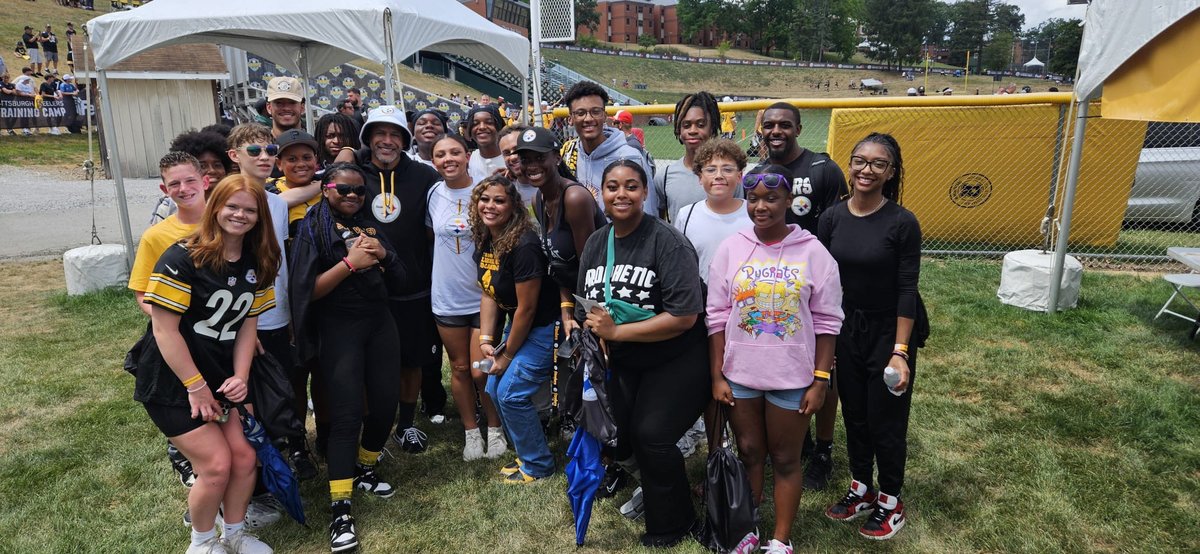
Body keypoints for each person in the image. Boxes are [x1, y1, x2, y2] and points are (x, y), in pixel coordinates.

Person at [135, 174, 280, 554]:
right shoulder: (182, 257)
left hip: (219, 374)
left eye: (250, 210)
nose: (240, 215)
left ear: (259, 216)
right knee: (216, 465)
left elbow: (250, 324)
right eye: (232, 206)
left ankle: (233, 535)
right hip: (172, 379)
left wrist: (241, 377)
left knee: (246, 457)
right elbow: (164, 331)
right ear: (215, 207)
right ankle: (200, 544)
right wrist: (196, 387)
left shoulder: (260, 259)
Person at [707, 164, 843, 554]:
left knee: (785, 458)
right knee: (749, 452)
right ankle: (747, 528)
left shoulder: (813, 252)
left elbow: (828, 322)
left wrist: (820, 380)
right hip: (741, 375)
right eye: (753, 199)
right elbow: (716, 316)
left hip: (792, 377)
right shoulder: (732, 247)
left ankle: (781, 540)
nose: (760, 206)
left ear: (790, 201)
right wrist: (718, 376)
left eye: (771, 198)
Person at [575, 160, 709, 547]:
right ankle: (654, 488)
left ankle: (674, 522)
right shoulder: (598, 242)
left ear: (645, 192)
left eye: (631, 187)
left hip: (676, 356)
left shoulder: (667, 241)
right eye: (613, 187)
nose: (621, 194)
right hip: (625, 359)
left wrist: (618, 330)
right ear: (601, 192)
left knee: (652, 434)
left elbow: (684, 317)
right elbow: (591, 303)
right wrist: (593, 328)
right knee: (616, 437)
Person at [288, 163, 408, 553]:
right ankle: (340, 509)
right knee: (345, 415)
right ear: (326, 189)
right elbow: (307, 293)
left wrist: (385, 256)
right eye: (344, 189)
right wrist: (348, 265)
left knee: (385, 404)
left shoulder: (369, 226)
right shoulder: (310, 229)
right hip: (339, 329)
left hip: (380, 325)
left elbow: (403, 278)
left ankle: (365, 467)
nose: (353, 196)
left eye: (359, 190)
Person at [817, 133, 924, 541]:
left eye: (878, 164)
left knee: (886, 420)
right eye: (860, 161)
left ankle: (891, 500)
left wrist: (900, 352)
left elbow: (906, 289)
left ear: (891, 172)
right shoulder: (831, 218)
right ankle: (861, 487)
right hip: (846, 328)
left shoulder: (901, 222)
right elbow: (823, 281)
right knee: (855, 412)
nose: (867, 170)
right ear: (850, 165)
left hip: (888, 331)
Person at [335, 106, 443, 453]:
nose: (387, 140)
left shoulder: (424, 175)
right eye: (379, 133)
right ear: (367, 138)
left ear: (405, 140)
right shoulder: (353, 173)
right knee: (369, 363)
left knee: (412, 360)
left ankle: (407, 425)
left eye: (395, 134)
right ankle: (373, 429)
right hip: (365, 288)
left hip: (413, 285)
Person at [758, 101, 849, 490]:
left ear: (798, 127)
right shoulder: (759, 174)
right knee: (785, 364)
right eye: (770, 125)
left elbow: (839, 225)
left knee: (824, 371)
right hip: (773, 285)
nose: (776, 131)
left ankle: (824, 449)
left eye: (785, 125)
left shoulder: (822, 169)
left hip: (815, 282)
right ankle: (800, 438)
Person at [225, 123, 317, 484]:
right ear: (234, 156)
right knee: (245, 392)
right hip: (242, 319)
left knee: (288, 383)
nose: (264, 157)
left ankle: (294, 445)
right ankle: (254, 465)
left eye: (269, 151)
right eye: (254, 151)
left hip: (278, 313)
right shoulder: (225, 203)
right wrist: (240, 323)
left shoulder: (276, 202)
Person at [472, 175, 560, 484]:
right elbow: (488, 291)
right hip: (521, 324)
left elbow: (528, 308)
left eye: (499, 200)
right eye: (485, 199)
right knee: (495, 387)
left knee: (510, 393)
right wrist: (486, 338)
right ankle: (528, 453)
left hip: (544, 326)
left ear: (513, 207)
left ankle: (538, 465)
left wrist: (507, 354)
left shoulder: (524, 245)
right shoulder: (487, 238)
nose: (491, 206)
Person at [426, 134, 506, 461]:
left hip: (483, 297)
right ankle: (471, 433)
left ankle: (496, 428)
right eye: (440, 154)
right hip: (446, 297)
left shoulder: (485, 191)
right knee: (459, 367)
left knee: (481, 369)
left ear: (467, 154)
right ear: (433, 161)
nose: (448, 159)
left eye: (455, 152)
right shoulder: (432, 194)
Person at [561, 81, 656, 214]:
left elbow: (648, 212)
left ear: (605, 116)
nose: (588, 118)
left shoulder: (630, 157)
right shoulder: (568, 156)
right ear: (570, 118)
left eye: (595, 111)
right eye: (580, 113)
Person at [676, 138, 753, 282]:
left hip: (745, 299)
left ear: (739, 176)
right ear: (700, 177)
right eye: (711, 170)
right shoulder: (686, 215)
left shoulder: (752, 213)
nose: (719, 175)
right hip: (701, 299)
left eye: (727, 169)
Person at [654, 91, 737, 222]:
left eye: (700, 125)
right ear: (678, 130)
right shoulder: (664, 177)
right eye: (686, 125)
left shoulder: (729, 175)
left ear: (712, 127)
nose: (692, 131)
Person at [496, 124, 539, 212]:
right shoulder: (505, 189)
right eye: (507, 153)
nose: (513, 157)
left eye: (517, 149)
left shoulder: (551, 185)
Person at [466, 104, 506, 182]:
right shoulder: (470, 159)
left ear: (499, 127)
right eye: (475, 123)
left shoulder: (511, 159)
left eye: (489, 122)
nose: (482, 127)